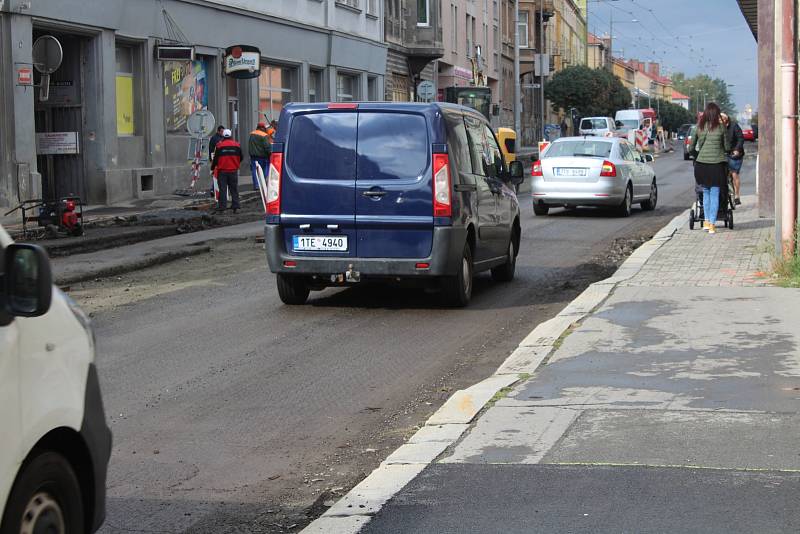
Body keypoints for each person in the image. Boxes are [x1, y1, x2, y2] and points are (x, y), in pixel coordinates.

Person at [690, 103, 731, 234]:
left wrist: (697, 156)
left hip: (701, 166)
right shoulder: (721, 128)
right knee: (714, 193)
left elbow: (691, 148)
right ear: (717, 114)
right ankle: (712, 224)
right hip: (717, 165)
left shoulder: (699, 127)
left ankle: (706, 222)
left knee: (705, 192)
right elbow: (727, 147)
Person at [210, 129, 242, 213]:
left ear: (223, 136)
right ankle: (235, 206)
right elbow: (241, 157)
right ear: (231, 135)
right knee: (234, 189)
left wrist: (212, 168)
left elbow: (216, 159)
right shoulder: (237, 145)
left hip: (222, 171)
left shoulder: (219, 146)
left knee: (223, 189)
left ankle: (222, 207)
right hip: (233, 171)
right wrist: (235, 163)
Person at [721, 112, 745, 205]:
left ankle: (737, 196)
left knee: (734, 174)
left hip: (735, 154)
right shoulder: (719, 127)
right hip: (724, 153)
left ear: (725, 119)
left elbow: (740, 138)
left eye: (721, 119)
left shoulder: (734, 126)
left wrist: (737, 149)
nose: (719, 121)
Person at [248, 122, 271, 190]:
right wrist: (270, 153)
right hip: (263, 156)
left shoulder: (252, 134)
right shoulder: (264, 135)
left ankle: (256, 185)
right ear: (262, 128)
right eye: (264, 128)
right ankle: (265, 185)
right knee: (265, 169)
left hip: (254, 156)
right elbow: (267, 146)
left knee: (254, 171)